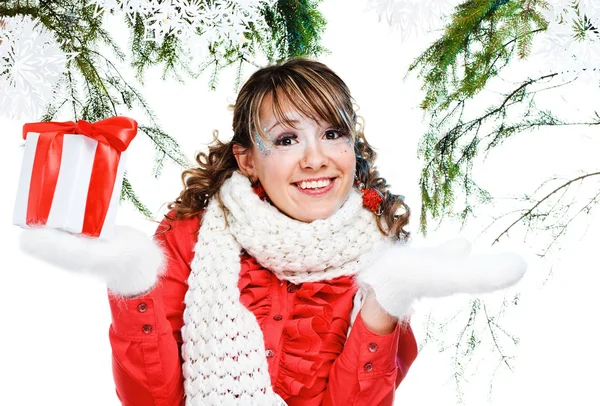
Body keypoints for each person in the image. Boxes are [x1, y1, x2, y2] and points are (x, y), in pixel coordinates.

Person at [19, 58, 526, 406]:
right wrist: (133, 289)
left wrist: (382, 306)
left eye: (333, 133)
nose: (316, 158)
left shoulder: (381, 258)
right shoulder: (190, 240)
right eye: (286, 139)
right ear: (248, 160)